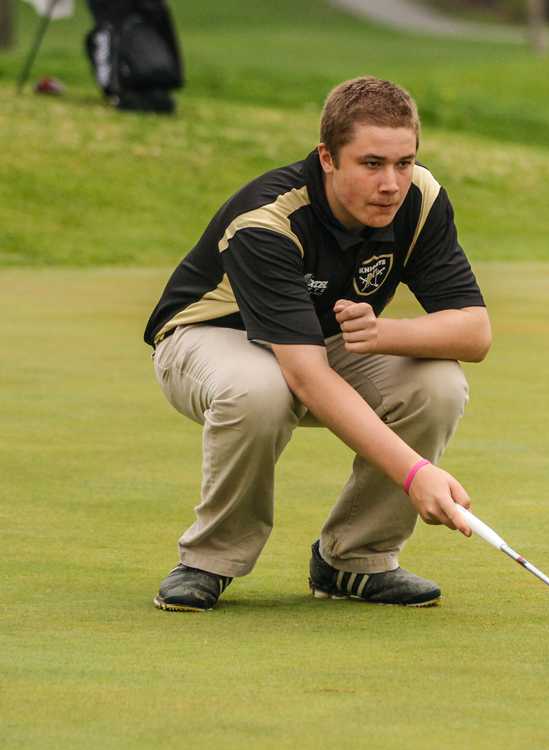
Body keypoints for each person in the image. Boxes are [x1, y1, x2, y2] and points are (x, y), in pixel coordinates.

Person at [143, 76, 490, 611]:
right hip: (207, 338)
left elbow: (474, 332)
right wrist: (416, 473)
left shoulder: (419, 198)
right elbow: (305, 378)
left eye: (404, 162)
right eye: (371, 163)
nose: (393, 183)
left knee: (437, 383)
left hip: (319, 340)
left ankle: (355, 561)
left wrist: (387, 332)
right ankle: (209, 560)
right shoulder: (267, 221)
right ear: (327, 157)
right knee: (260, 390)